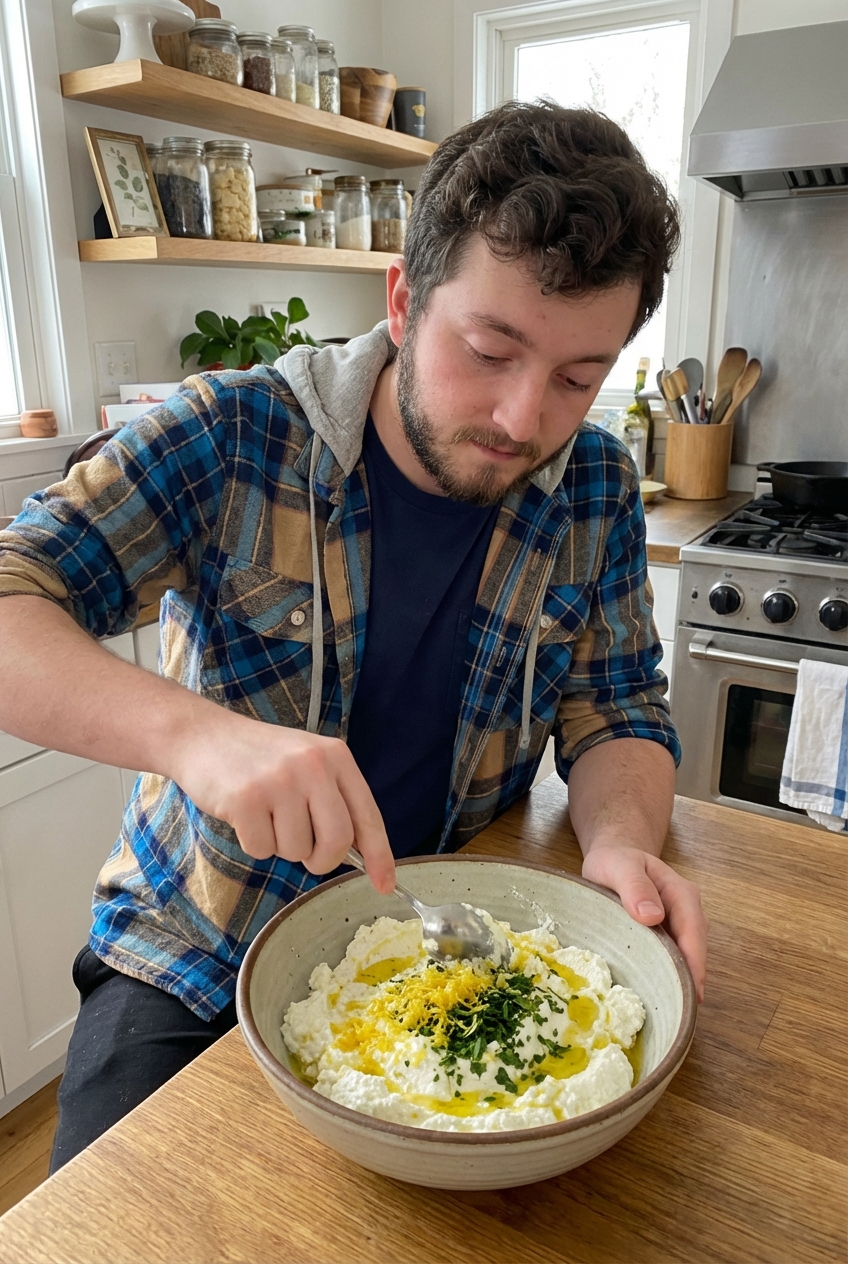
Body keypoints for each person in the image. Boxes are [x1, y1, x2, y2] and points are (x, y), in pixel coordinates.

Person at [0, 101, 706, 1170]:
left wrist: (616, 843)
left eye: (576, 377)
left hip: (456, 951)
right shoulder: (232, 435)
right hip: (192, 954)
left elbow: (616, 707)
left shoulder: (596, 484)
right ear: (402, 300)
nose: (523, 419)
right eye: (488, 349)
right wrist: (196, 737)